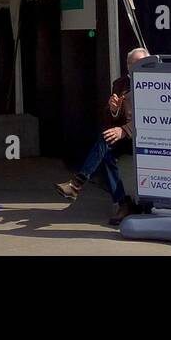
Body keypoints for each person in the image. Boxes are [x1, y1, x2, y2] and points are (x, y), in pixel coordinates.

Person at [56, 47, 149, 226]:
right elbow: (108, 117)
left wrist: (125, 130)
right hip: (126, 138)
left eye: (139, 63)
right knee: (106, 143)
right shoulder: (120, 83)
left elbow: (154, 116)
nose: (134, 67)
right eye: (131, 63)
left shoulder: (155, 83)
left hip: (146, 136)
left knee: (106, 142)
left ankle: (77, 184)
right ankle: (121, 203)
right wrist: (114, 110)